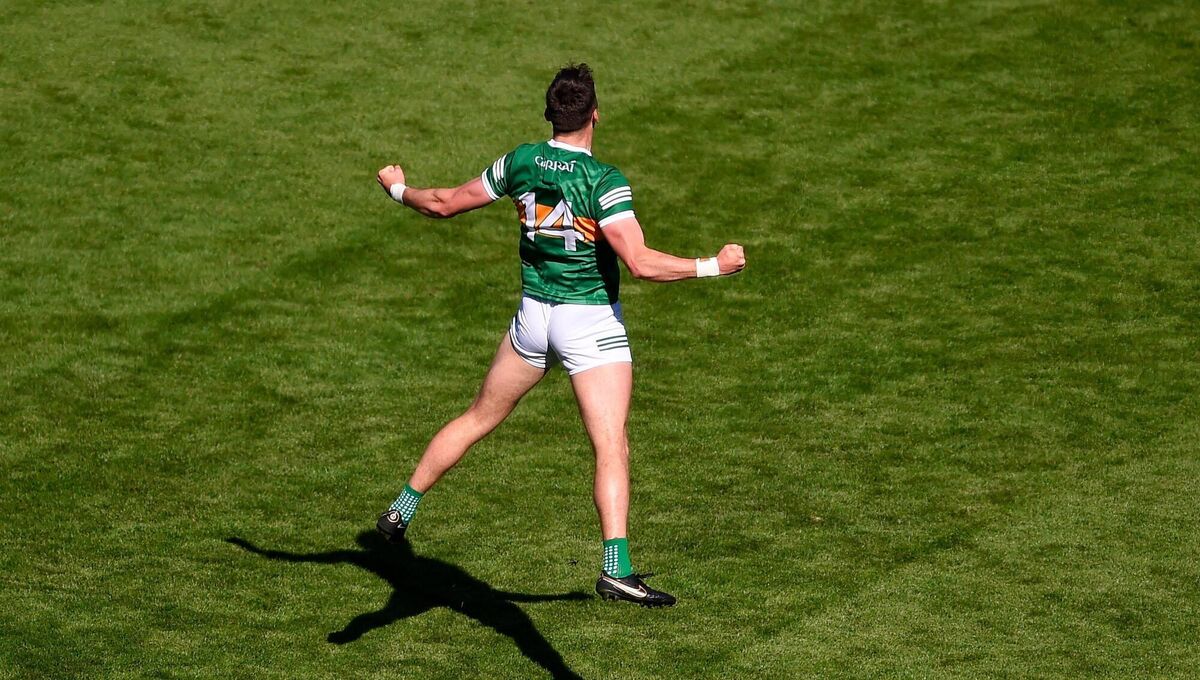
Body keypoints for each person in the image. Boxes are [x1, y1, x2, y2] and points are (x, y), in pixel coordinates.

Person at [374, 63, 745, 607]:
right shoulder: (604, 181)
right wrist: (714, 265)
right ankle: (616, 567)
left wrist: (396, 187)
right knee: (610, 444)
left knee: (479, 416)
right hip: (588, 323)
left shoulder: (521, 161)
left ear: (550, 114)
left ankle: (400, 510)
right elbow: (639, 263)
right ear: (595, 114)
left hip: (533, 317)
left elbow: (444, 203)